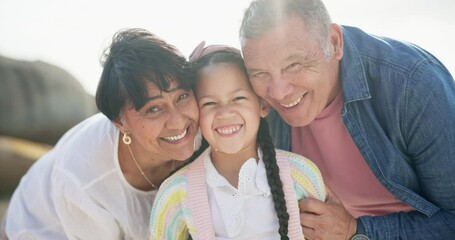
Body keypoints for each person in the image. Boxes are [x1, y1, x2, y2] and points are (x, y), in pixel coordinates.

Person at [239, 0, 455, 239]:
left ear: (334, 43)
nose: (278, 92)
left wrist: (355, 231)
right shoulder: (254, 101)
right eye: (260, 73)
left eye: (294, 64)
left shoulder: (413, 86)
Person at [3, 28, 203, 239]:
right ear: (120, 123)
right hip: (44, 228)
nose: (178, 121)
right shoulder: (85, 182)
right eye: (153, 109)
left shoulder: (201, 121)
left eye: (181, 97)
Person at [149, 42, 326, 240]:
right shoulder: (175, 193)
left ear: (263, 105)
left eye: (238, 98)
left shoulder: (301, 175)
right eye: (209, 103)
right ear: (196, 114)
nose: (225, 113)